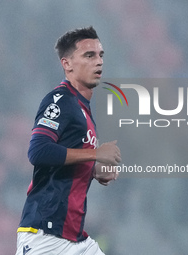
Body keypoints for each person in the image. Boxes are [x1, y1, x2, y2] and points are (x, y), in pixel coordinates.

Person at [15, 26, 121, 255]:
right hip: (45, 234)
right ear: (67, 64)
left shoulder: (83, 109)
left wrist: (94, 170)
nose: (99, 61)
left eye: (101, 55)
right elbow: (38, 152)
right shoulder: (60, 100)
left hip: (75, 239)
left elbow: (66, 156)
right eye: (89, 55)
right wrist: (95, 154)